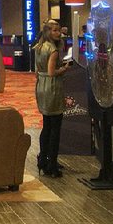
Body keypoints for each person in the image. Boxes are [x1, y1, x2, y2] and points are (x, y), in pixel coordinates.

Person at [34, 20, 70, 177]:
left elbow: (38, 71)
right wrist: (64, 69)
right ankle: (52, 165)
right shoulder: (53, 50)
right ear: (48, 32)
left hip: (41, 86)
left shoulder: (39, 47)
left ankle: (43, 159)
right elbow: (51, 72)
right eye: (55, 30)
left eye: (58, 30)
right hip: (52, 87)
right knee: (55, 127)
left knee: (46, 125)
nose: (58, 33)